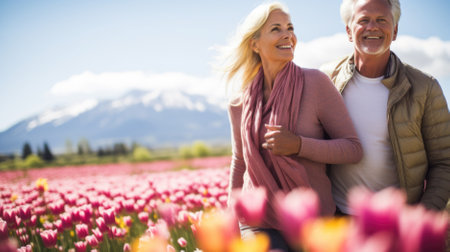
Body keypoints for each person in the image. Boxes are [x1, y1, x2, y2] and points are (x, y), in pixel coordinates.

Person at [222, 2, 363, 251]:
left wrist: (298, 145)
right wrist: (231, 218)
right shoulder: (239, 102)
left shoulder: (315, 83)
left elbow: (352, 149)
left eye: (290, 27)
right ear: (255, 44)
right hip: (259, 220)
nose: (288, 35)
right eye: (276, 29)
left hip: (312, 218)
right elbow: (240, 162)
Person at [322, 0, 450, 215]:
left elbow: (444, 163)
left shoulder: (426, 88)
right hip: (337, 220)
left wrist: (421, 217)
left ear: (395, 30)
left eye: (382, 20)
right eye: (363, 20)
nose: (373, 27)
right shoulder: (325, 80)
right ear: (349, 31)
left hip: (398, 221)